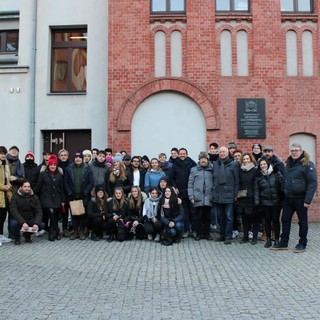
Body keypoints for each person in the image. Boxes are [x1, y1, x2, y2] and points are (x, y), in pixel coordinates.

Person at [272, 143, 317, 253]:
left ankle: (302, 243)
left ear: (301, 152)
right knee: (285, 220)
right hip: (288, 199)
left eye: (296, 150)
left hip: (301, 199)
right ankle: (283, 243)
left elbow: (312, 183)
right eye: (292, 150)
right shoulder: (288, 164)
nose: (294, 152)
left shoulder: (307, 164)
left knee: (302, 222)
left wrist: (308, 200)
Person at [212, 146, 240, 244]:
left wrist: (236, 194)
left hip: (229, 195)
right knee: (220, 217)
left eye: (224, 152)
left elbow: (237, 181)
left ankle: (228, 236)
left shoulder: (234, 165)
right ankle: (222, 235)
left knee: (228, 217)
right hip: (217, 194)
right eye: (220, 152)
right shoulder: (215, 164)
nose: (222, 154)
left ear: (228, 153)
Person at [34, 155, 65, 241]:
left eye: (54, 165)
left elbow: (62, 188)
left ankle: (52, 233)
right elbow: (38, 186)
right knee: (51, 214)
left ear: (56, 166)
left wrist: (63, 200)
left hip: (57, 198)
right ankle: (57, 231)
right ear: (48, 165)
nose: (52, 166)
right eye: (51, 165)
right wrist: (32, 192)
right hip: (46, 198)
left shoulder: (59, 175)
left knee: (54, 216)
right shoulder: (43, 174)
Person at [64, 152, 94, 240]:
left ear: (82, 159)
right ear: (74, 159)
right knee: (74, 214)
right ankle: (75, 231)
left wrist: (85, 192)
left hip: (83, 195)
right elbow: (65, 182)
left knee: (82, 214)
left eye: (79, 157)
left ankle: (81, 231)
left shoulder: (87, 168)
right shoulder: (69, 168)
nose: (78, 159)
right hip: (72, 195)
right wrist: (69, 192)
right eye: (76, 157)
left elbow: (91, 183)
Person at [254, 158, 283, 248]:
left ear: (268, 164)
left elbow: (282, 184)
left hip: (276, 202)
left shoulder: (276, 173)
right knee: (267, 221)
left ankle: (277, 239)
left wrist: (282, 199)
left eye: (264, 164)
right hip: (265, 202)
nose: (263, 166)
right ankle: (268, 239)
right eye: (261, 165)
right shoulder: (258, 176)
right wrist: (257, 202)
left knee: (275, 221)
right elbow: (256, 190)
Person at [169, 147, 196, 238]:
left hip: (191, 191)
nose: (182, 155)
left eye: (184, 153)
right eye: (180, 153)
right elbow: (171, 177)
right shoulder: (175, 164)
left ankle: (194, 230)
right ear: (178, 154)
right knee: (184, 213)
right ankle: (186, 230)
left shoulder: (192, 163)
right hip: (180, 192)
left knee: (193, 211)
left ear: (187, 154)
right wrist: (175, 187)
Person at [188, 151, 213, 241]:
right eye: (202, 158)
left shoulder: (212, 169)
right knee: (198, 217)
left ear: (207, 160)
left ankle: (207, 234)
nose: (203, 160)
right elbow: (190, 184)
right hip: (197, 197)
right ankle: (199, 234)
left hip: (209, 197)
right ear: (199, 159)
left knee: (208, 217)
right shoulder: (194, 170)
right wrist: (191, 196)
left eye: (205, 159)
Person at [10, 179, 44, 245]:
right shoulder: (15, 197)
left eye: (28, 187)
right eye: (25, 186)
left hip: (30, 218)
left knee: (41, 225)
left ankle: (27, 235)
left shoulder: (35, 197)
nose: (27, 188)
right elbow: (14, 211)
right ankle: (17, 237)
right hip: (18, 219)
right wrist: (23, 222)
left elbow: (39, 212)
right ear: (21, 187)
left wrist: (36, 223)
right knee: (13, 224)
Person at [237, 153, 258, 245]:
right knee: (244, 218)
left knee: (254, 219)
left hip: (252, 198)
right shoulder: (240, 170)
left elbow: (256, 185)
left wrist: (253, 195)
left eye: (247, 159)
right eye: (244, 159)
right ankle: (245, 236)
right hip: (242, 198)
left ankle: (254, 237)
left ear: (251, 159)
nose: (246, 160)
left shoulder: (255, 170)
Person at [0, 146, 13, 244]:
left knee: (3, 216)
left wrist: (8, 186)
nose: (3, 155)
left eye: (4, 153)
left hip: (5, 194)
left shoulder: (6, 164)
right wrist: (2, 187)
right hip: (1, 191)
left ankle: (1, 235)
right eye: (1, 153)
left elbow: (7, 178)